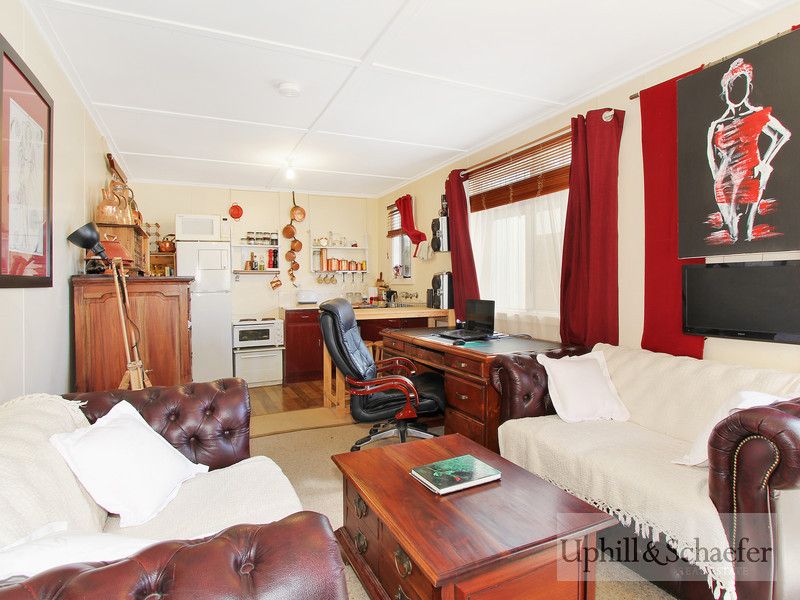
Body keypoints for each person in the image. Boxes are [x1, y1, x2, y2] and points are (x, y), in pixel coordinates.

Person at [706, 58, 791, 243]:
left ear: (748, 87)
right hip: (724, 181)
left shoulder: (756, 114)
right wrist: (718, 177)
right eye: (731, 86)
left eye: (740, 85)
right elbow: (711, 158)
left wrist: (764, 163)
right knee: (732, 229)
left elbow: (782, 134)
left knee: (744, 229)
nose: (734, 91)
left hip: (749, 175)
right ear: (725, 90)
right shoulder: (717, 124)